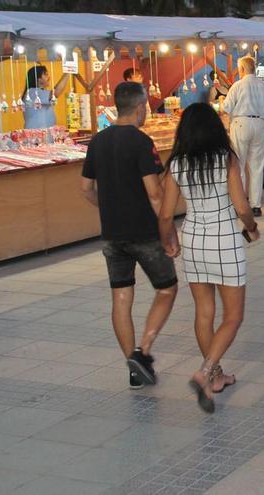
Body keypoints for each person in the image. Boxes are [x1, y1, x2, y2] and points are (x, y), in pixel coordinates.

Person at [157, 103, 258, 413]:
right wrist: (252, 227)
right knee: (233, 316)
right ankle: (205, 372)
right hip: (225, 239)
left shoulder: (177, 164)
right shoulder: (226, 159)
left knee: (204, 312)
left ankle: (216, 377)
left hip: (194, 240)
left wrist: (169, 240)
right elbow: (241, 207)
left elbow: (164, 214)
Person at [80, 82, 178, 390]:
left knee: (121, 297)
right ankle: (143, 351)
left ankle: (133, 369)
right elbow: (154, 192)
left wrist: (108, 207)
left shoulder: (98, 141)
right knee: (167, 289)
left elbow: (86, 189)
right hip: (144, 231)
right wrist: (169, 230)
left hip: (112, 234)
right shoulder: (141, 141)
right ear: (139, 107)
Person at [221, 56, 264, 217]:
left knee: (238, 166)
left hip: (241, 124)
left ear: (242, 69)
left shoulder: (238, 86)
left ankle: (240, 204)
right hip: (260, 125)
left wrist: (220, 100)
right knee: (256, 167)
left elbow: (226, 108)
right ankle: (256, 206)